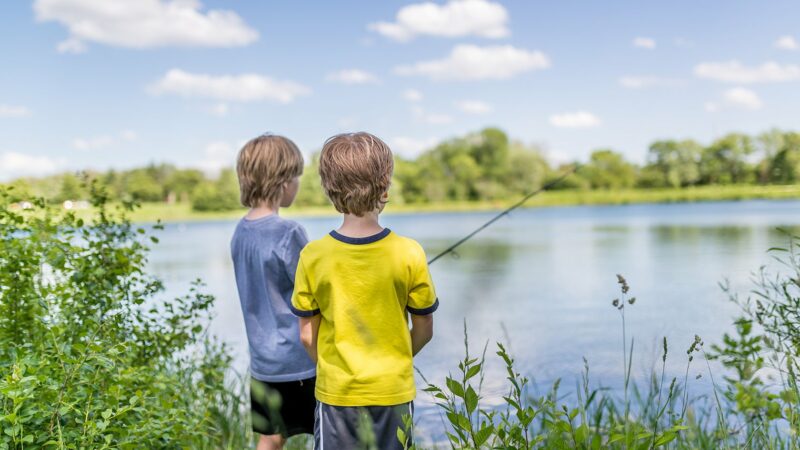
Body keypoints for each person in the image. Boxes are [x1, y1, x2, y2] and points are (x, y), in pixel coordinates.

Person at [290, 132, 438, 449]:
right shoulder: (409, 252)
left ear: (330, 190)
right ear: (386, 185)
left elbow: (306, 335)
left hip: (336, 395)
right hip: (393, 392)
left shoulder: (313, 256)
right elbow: (424, 329)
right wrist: (394, 361)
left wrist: (333, 370)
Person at [230, 134, 316, 450]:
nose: (297, 183)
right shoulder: (289, 232)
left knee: (271, 437)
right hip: (301, 359)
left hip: (263, 361)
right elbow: (313, 293)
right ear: (282, 182)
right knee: (325, 431)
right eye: (296, 176)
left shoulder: (241, 231)